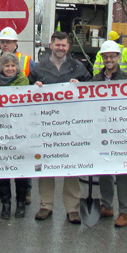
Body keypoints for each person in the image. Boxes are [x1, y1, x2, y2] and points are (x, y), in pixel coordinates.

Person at [28, 31, 92, 223]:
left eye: (64, 45)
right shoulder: (39, 68)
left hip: (71, 126)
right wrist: (34, 87)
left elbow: (91, 89)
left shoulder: (78, 67)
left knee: (70, 166)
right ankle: (45, 205)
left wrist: (80, 85)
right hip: (46, 126)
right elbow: (26, 90)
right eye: (57, 45)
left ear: (68, 46)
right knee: (45, 165)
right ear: (51, 45)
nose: (61, 48)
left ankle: (72, 208)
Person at [0, 27, 35, 204]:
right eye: (2, 42)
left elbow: (36, 83)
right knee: (3, 155)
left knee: (23, 155)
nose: (5, 44)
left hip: (21, 119)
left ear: (16, 43)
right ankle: (2, 190)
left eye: (8, 42)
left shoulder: (28, 61)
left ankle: (26, 192)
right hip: (2, 119)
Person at [93, 40, 127, 227]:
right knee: (104, 171)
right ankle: (107, 205)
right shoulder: (95, 80)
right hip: (101, 132)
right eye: (106, 56)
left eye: (112, 56)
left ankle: (124, 211)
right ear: (102, 58)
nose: (109, 60)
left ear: (118, 57)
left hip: (120, 133)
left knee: (122, 172)